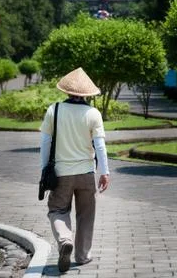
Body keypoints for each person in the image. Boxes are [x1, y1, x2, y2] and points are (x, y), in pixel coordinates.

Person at [40, 67, 110, 273]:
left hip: (61, 174)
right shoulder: (93, 113)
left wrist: (45, 169)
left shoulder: (54, 110)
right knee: (86, 215)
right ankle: (82, 255)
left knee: (57, 210)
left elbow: (45, 142)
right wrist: (105, 172)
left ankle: (64, 241)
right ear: (86, 93)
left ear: (67, 91)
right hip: (86, 173)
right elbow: (100, 146)